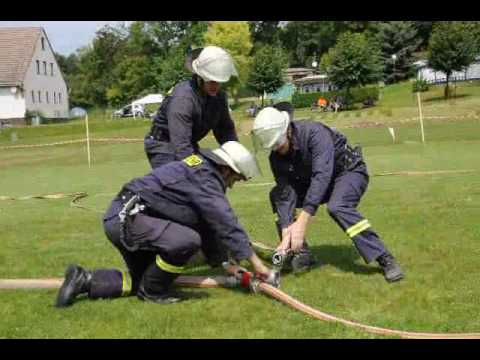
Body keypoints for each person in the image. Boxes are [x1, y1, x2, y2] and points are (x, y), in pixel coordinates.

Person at [56, 141, 279, 307]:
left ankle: (84, 279)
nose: (231, 185)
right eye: (235, 179)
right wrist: (259, 266)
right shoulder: (205, 177)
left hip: (126, 217)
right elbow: (226, 222)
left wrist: (224, 263)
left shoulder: (201, 171)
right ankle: (152, 293)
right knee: (187, 241)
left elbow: (208, 223)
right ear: (226, 168)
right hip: (128, 219)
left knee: (142, 280)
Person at [251, 103, 404, 282]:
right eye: (272, 146)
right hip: (317, 182)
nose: (276, 149)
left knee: (338, 206)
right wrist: (286, 230)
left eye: (278, 143)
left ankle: (384, 257)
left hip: (348, 171)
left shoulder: (315, 133)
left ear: (287, 130)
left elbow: (321, 176)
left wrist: (301, 222)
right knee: (276, 194)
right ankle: (301, 254)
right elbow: (286, 193)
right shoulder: (276, 157)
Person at [145, 46, 240, 169]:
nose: (215, 85)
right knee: (187, 181)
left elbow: (226, 132)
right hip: (163, 146)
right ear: (200, 77)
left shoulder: (219, 97)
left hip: (188, 143)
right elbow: (182, 148)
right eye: (211, 81)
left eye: (218, 81)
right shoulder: (183, 99)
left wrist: (238, 157)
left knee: (208, 175)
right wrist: (198, 170)